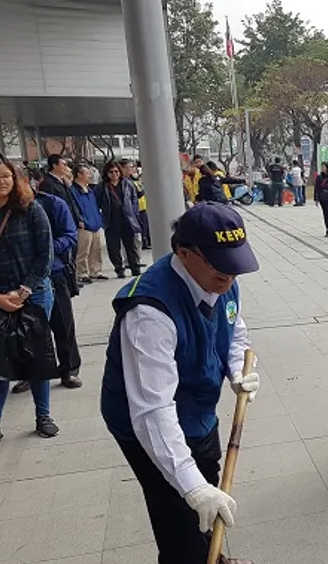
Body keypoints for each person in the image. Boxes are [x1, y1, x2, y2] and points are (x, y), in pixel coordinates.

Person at [100, 203, 260, 564]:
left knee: (207, 484)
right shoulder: (149, 313)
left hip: (197, 408)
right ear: (184, 254)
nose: (230, 276)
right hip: (145, 422)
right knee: (177, 513)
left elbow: (234, 330)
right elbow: (153, 411)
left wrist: (237, 370)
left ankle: (209, 553)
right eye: (220, 264)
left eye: (235, 264)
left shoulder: (222, 280)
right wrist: (192, 488)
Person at [0, 154, 60, 449]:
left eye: (6, 176)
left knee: (37, 354)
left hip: (34, 292)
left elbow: (45, 254)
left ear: (15, 178)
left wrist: (25, 290)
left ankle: (43, 416)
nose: (1, 182)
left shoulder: (30, 209)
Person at [35, 187, 83, 389]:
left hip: (54, 272)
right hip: (19, 277)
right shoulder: (4, 209)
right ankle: (32, 373)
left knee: (63, 323)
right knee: (29, 329)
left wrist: (47, 250)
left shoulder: (53, 204)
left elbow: (70, 235)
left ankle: (68, 369)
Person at [97, 160, 143, 279]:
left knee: (131, 245)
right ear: (106, 173)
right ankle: (119, 269)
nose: (114, 174)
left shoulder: (127, 183)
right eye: (111, 172)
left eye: (116, 171)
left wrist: (134, 214)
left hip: (127, 219)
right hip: (111, 220)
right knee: (113, 247)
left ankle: (135, 267)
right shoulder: (102, 186)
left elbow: (134, 200)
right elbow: (97, 203)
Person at [71, 164, 107, 284]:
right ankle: (82, 272)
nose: (89, 175)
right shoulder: (73, 190)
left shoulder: (90, 190)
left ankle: (96, 271)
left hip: (95, 222)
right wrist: (80, 219)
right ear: (79, 174)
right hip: (84, 225)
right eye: (87, 173)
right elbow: (74, 207)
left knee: (97, 249)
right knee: (83, 250)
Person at [39, 154, 85, 235]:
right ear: (55, 166)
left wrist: (78, 218)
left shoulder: (64, 181)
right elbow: (48, 207)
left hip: (71, 221)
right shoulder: (47, 183)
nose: (66, 167)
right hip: (60, 225)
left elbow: (71, 201)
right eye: (64, 164)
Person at [124, 159, 152, 250]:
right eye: (131, 167)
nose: (134, 169)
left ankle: (145, 242)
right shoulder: (127, 181)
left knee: (144, 226)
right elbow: (139, 193)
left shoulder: (132, 179)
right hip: (136, 209)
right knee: (140, 229)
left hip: (141, 206)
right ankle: (144, 243)